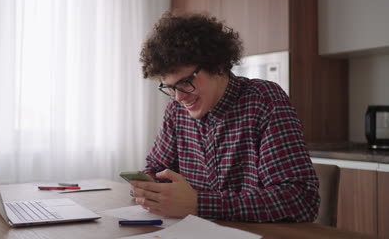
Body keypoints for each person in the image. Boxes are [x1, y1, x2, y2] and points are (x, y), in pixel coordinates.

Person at [130, 11, 320, 222]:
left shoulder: (263, 101)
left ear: (218, 65)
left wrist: (198, 203)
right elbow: (156, 169)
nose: (179, 97)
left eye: (185, 82)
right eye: (170, 88)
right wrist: (147, 186)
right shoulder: (176, 112)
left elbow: (300, 200)